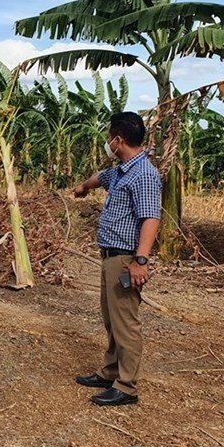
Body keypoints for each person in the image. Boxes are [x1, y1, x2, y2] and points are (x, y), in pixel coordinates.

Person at [71, 111, 161, 406]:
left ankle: (126, 386)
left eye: (109, 138)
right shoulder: (122, 170)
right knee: (111, 319)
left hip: (126, 258)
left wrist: (141, 261)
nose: (107, 143)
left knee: (125, 323)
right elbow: (101, 177)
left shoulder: (143, 174)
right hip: (110, 257)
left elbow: (150, 219)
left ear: (118, 139)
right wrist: (84, 187)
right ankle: (109, 371)